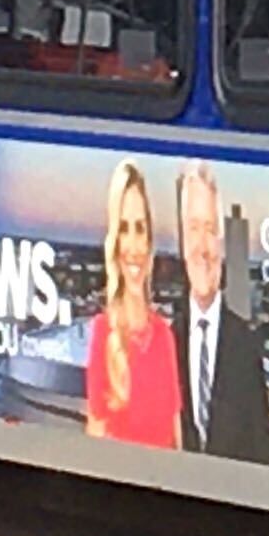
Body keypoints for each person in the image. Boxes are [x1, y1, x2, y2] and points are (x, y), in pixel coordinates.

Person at [174, 164, 269, 462]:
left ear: (221, 241)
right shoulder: (167, 340)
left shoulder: (245, 343)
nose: (203, 247)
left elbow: (262, 449)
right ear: (182, 242)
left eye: (211, 230)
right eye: (193, 229)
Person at [84, 161, 182, 446]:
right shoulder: (103, 334)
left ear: (150, 239)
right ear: (114, 241)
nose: (133, 246)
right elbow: (95, 442)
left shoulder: (164, 336)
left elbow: (175, 443)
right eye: (124, 228)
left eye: (140, 228)